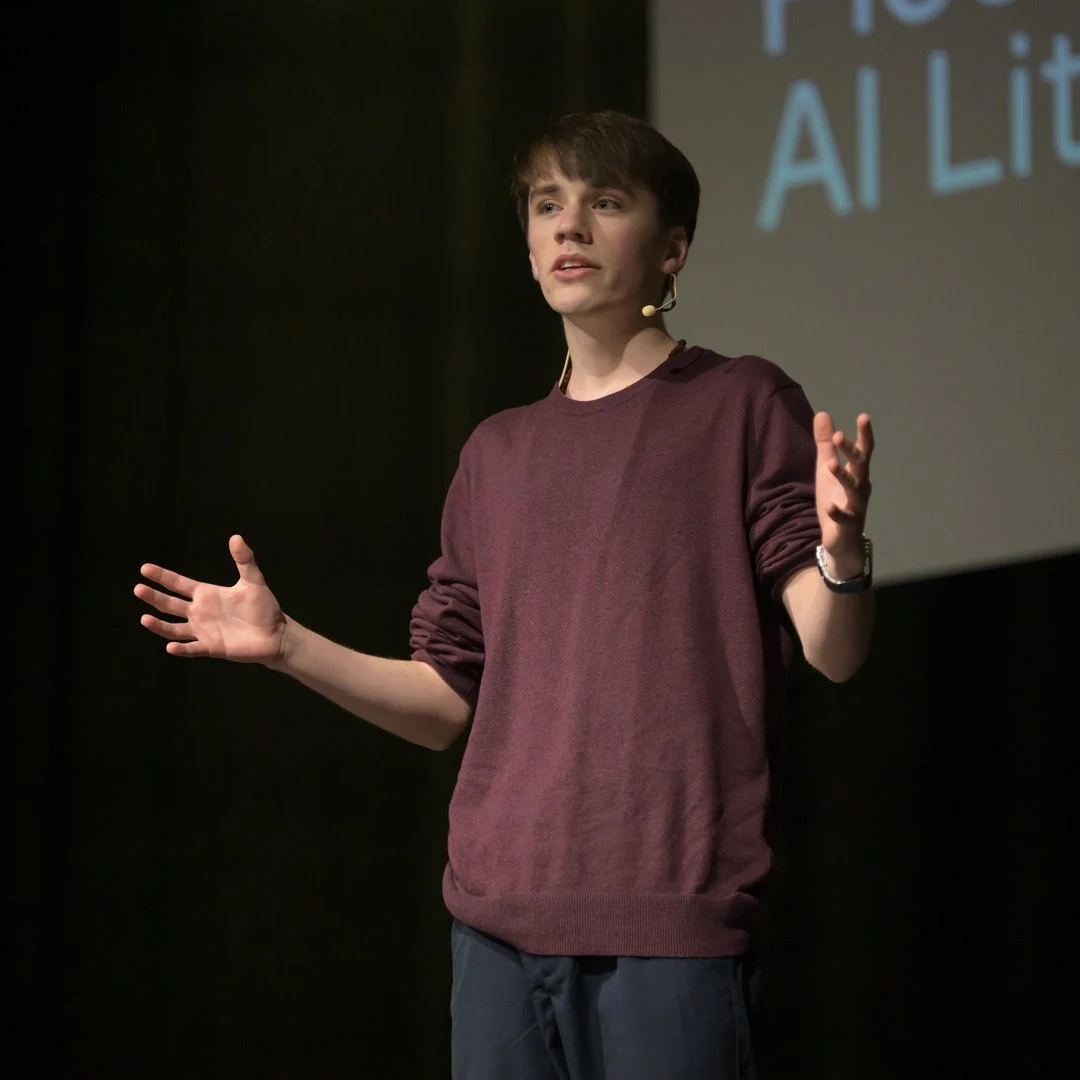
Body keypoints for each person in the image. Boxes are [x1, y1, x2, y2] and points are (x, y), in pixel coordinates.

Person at [135, 110, 875, 1080]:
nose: (570, 226)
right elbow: (446, 701)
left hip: (669, 919)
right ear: (528, 247)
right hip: (495, 930)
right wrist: (288, 646)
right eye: (547, 205)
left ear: (672, 250)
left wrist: (842, 549)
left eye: (605, 202)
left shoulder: (740, 402)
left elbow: (834, 650)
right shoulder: (497, 453)